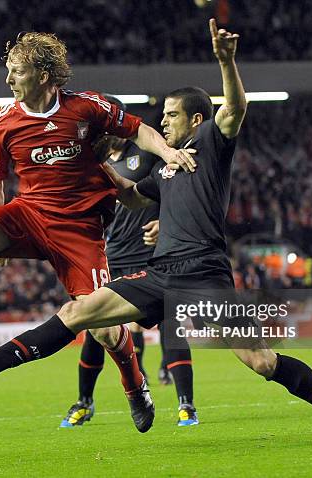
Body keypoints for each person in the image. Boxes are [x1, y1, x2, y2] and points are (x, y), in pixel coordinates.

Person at [0, 18, 312, 443]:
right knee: (79, 313)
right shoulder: (165, 170)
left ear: (195, 119)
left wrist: (225, 61)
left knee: (261, 361)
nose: (163, 123)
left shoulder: (212, 145)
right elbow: (134, 197)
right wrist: (97, 171)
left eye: (172, 116)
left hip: (204, 275)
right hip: (160, 273)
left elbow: (234, 108)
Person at [0, 31, 196, 433]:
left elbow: (137, 130)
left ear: (45, 75)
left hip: (80, 231)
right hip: (29, 216)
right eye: (8, 71)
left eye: (18, 72)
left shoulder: (86, 108)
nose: (10, 81)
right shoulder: (3, 122)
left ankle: (135, 385)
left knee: (102, 327)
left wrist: (168, 152)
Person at [60, 97, 198, 428]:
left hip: (152, 254)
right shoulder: (94, 161)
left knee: (170, 324)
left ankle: (186, 405)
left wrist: (168, 221)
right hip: (112, 255)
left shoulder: (149, 151)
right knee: (95, 328)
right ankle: (84, 402)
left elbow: (175, 183)